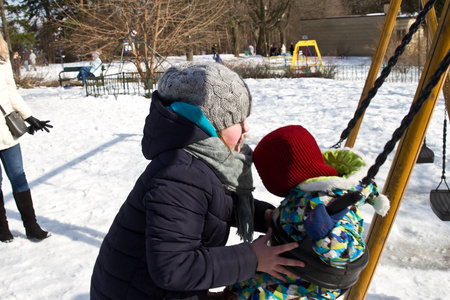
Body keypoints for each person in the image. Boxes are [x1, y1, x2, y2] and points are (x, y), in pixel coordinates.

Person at [90, 62, 304, 299]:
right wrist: (252, 258)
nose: (246, 127)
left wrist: (261, 215)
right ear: (207, 123)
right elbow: (174, 267)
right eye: (237, 119)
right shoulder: (179, 176)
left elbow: (213, 203)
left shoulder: (203, 159)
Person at [223, 125, 390, 299]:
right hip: (279, 274)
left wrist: (327, 235)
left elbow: (348, 253)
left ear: (282, 174)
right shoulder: (305, 197)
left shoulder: (326, 202)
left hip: (302, 288)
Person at [0, 33, 53, 243]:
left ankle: (31, 226)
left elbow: (11, 92)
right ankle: (2, 229)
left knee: (18, 176)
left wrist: (28, 117)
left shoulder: (2, 60)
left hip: (5, 127)